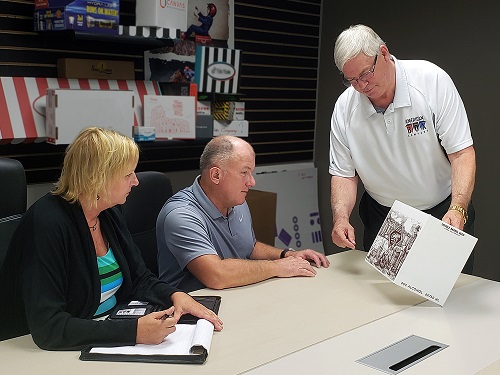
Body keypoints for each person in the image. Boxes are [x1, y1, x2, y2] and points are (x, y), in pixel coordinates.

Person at [0, 127, 222, 349]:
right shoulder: (46, 223)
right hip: (37, 351)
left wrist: (175, 295)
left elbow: (139, 278)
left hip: (103, 328)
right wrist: (133, 332)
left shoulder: (107, 212)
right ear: (98, 178)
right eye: (128, 174)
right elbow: (49, 328)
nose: (135, 182)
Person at [329, 25, 476, 273]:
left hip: (442, 211)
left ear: (384, 53)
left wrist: (458, 207)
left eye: (366, 74)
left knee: (446, 294)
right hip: (386, 216)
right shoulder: (345, 108)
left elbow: (461, 152)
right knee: (388, 300)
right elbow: (344, 172)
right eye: (351, 80)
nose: (361, 85)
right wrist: (341, 217)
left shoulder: (431, 81)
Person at [157, 135, 330, 292]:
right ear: (216, 175)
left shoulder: (237, 202)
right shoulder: (181, 215)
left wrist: (288, 255)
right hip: (191, 310)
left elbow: (249, 247)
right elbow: (216, 275)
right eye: (244, 172)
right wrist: (278, 267)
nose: (252, 182)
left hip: (234, 294)